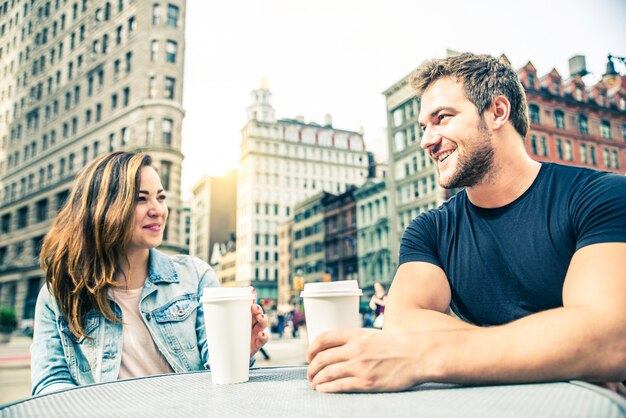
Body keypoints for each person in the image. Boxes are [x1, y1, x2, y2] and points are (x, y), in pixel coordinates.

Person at [306, 53, 626, 393]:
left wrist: (422, 357)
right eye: (423, 127)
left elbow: (609, 338)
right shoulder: (429, 230)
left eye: (441, 118)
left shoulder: (601, 197)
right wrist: (567, 356)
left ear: (498, 112)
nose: (426, 140)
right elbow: (402, 326)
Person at [31, 152, 269, 395]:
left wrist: (238, 351)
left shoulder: (196, 276)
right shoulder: (57, 295)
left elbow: (217, 373)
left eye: (160, 197)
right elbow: (50, 384)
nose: (158, 210)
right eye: (141, 199)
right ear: (103, 207)